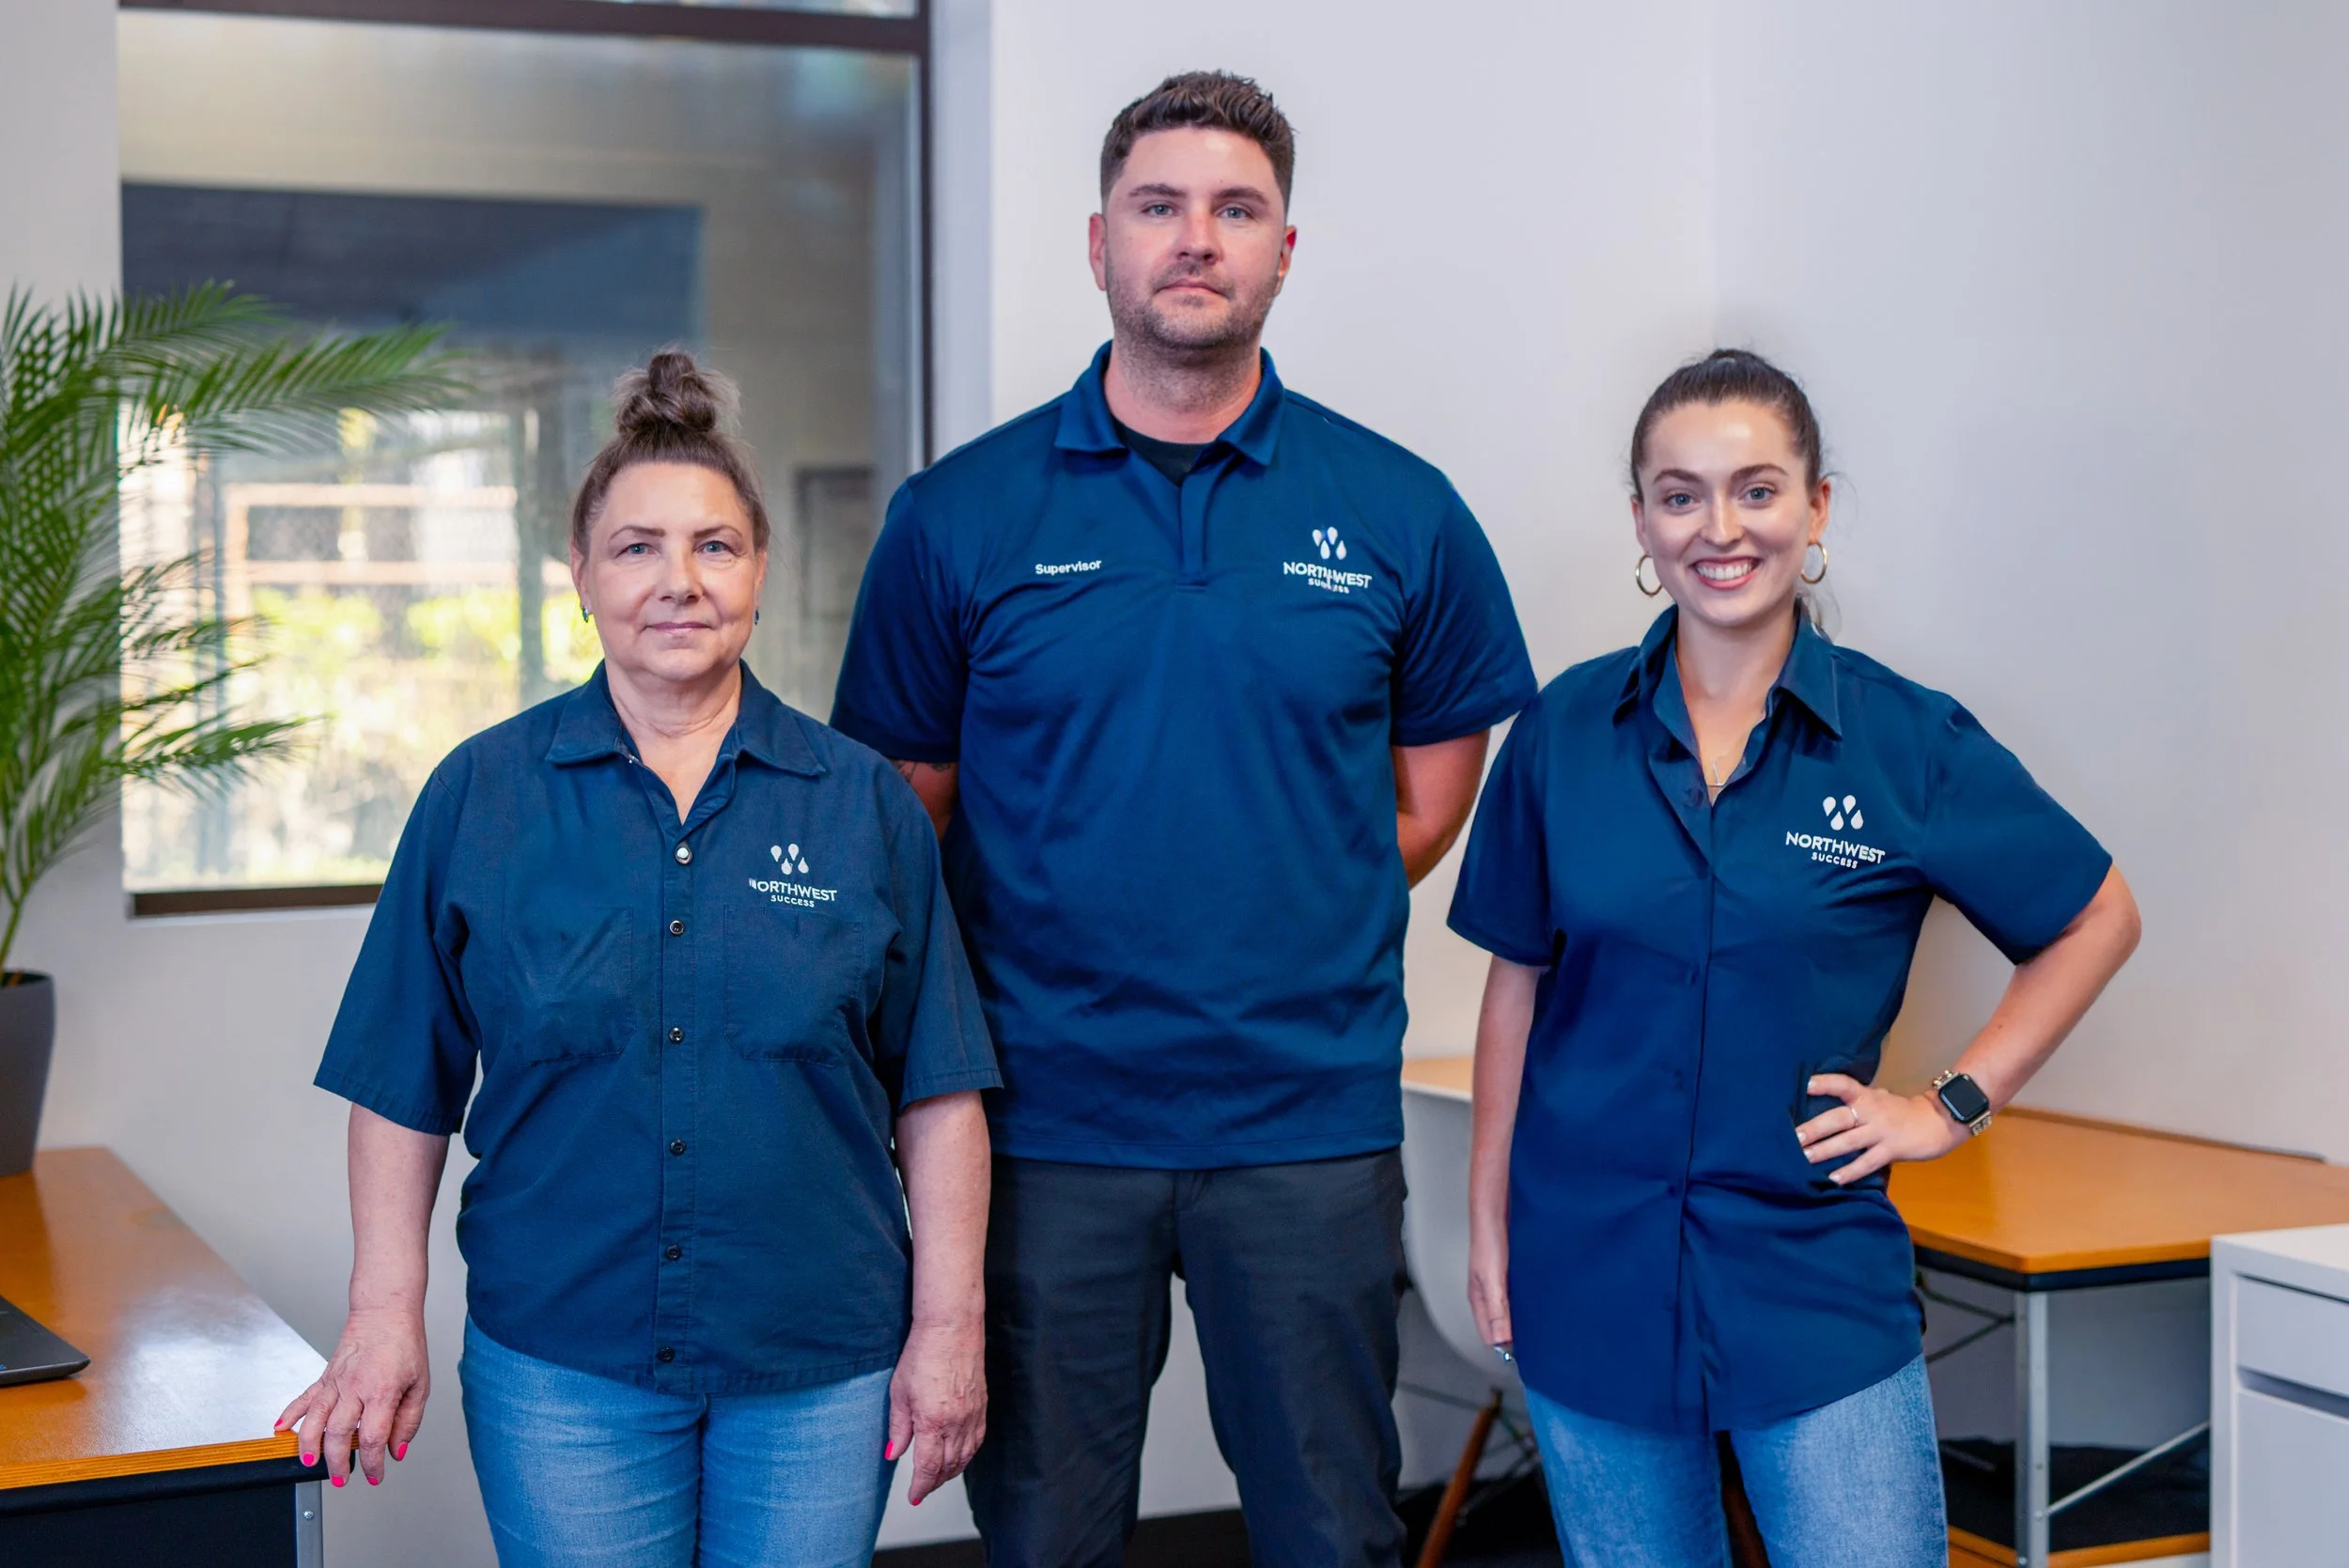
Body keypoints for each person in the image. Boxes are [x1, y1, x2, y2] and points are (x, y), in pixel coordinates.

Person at [832, 70, 1536, 1568]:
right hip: (1040, 1127)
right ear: (1101, 244)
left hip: (1305, 1122)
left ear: (1286, 249)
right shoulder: (959, 516)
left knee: (1331, 1532)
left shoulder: (1401, 509)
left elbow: (1430, 796)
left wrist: (1286, 896)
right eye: (1159, 206)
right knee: (1045, 1537)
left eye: (1236, 209)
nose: (1196, 238)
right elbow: (903, 816)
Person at [276, 350, 1001, 1568]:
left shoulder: (862, 804)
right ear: (580, 574)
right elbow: (401, 1083)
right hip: (564, 1366)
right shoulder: (481, 796)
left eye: (715, 546)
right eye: (636, 548)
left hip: (821, 1367)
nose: (680, 581)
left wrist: (950, 1328)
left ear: (760, 570)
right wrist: (382, 1315)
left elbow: (938, 1092)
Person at [1449, 349, 2142, 1567]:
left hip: (1809, 1280)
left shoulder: (1905, 741)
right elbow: (1520, 986)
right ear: (1642, 522)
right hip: (1588, 1268)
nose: (1720, 529)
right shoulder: (1563, 730)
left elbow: (2097, 919)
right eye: (1681, 495)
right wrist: (1489, 1220)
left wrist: (1949, 1106)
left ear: (1816, 508)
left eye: (1757, 490)